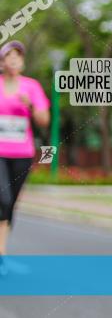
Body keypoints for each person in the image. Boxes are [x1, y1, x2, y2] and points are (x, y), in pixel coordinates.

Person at [0, 41, 50, 274]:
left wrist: (30, 106)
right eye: (8, 56)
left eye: (17, 56)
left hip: (22, 153)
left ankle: (2, 257)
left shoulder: (31, 87)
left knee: (10, 206)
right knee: (4, 200)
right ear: (2, 62)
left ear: (23, 61)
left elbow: (43, 121)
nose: (13, 60)